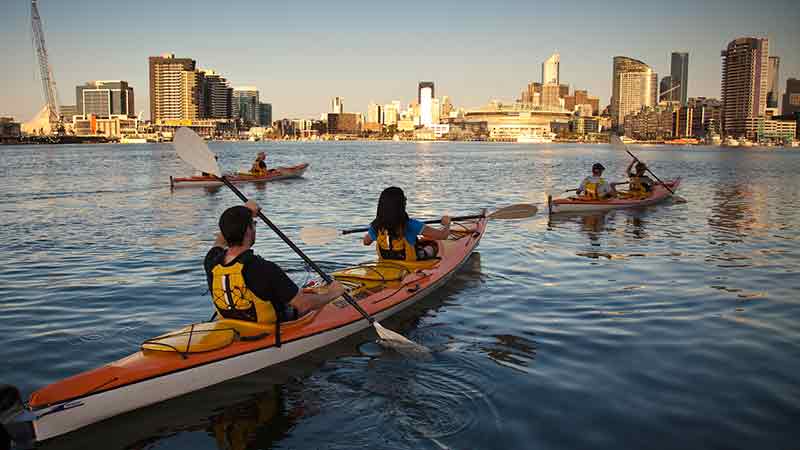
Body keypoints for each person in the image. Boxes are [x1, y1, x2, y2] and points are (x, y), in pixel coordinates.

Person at [204, 200, 344, 327]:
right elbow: (303, 305)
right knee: (312, 301)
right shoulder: (264, 268)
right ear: (248, 230)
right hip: (269, 330)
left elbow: (221, 238)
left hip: (232, 327)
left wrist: (244, 213)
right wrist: (332, 293)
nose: (255, 227)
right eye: (253, 224)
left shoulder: (211, 261)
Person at [362, 186, 451, 261]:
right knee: (432, 247)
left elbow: (366, 242)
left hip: (388, 265)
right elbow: (443, 236)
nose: (406, 199)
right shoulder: (411, 225)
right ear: (401, 205)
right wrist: (447, 224)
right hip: (410, 264)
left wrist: (372, 233)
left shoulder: (376, 226)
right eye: (404, 198)